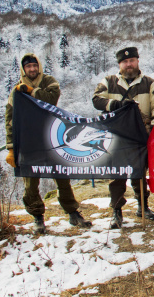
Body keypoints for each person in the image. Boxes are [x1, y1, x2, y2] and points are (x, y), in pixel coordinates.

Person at [5, 53, 91, 234]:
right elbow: (10, 118)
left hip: (52, 136)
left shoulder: (49, 81)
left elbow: (52, 99)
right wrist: (11, 147)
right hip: (29, 140)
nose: (32, 69)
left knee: (62, 176)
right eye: (28, 67)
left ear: (39, 66)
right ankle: (37, 216)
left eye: (34, 66)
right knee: (30, 180)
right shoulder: (16, 91)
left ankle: (72, 212)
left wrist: (31, 92)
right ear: (23, 69)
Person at [93, 47, 154, 228]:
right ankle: (116, 212)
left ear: (137, 61)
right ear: (120, 64)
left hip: (140, 137)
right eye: (125, 62)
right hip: (115, 137)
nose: (129, 64)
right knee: (116, 176)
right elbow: (96, 99)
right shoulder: (109, 82)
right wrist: (116, 104)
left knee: (139, 174)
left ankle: (143, 207)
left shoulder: (149, 83)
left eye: (132, 60)